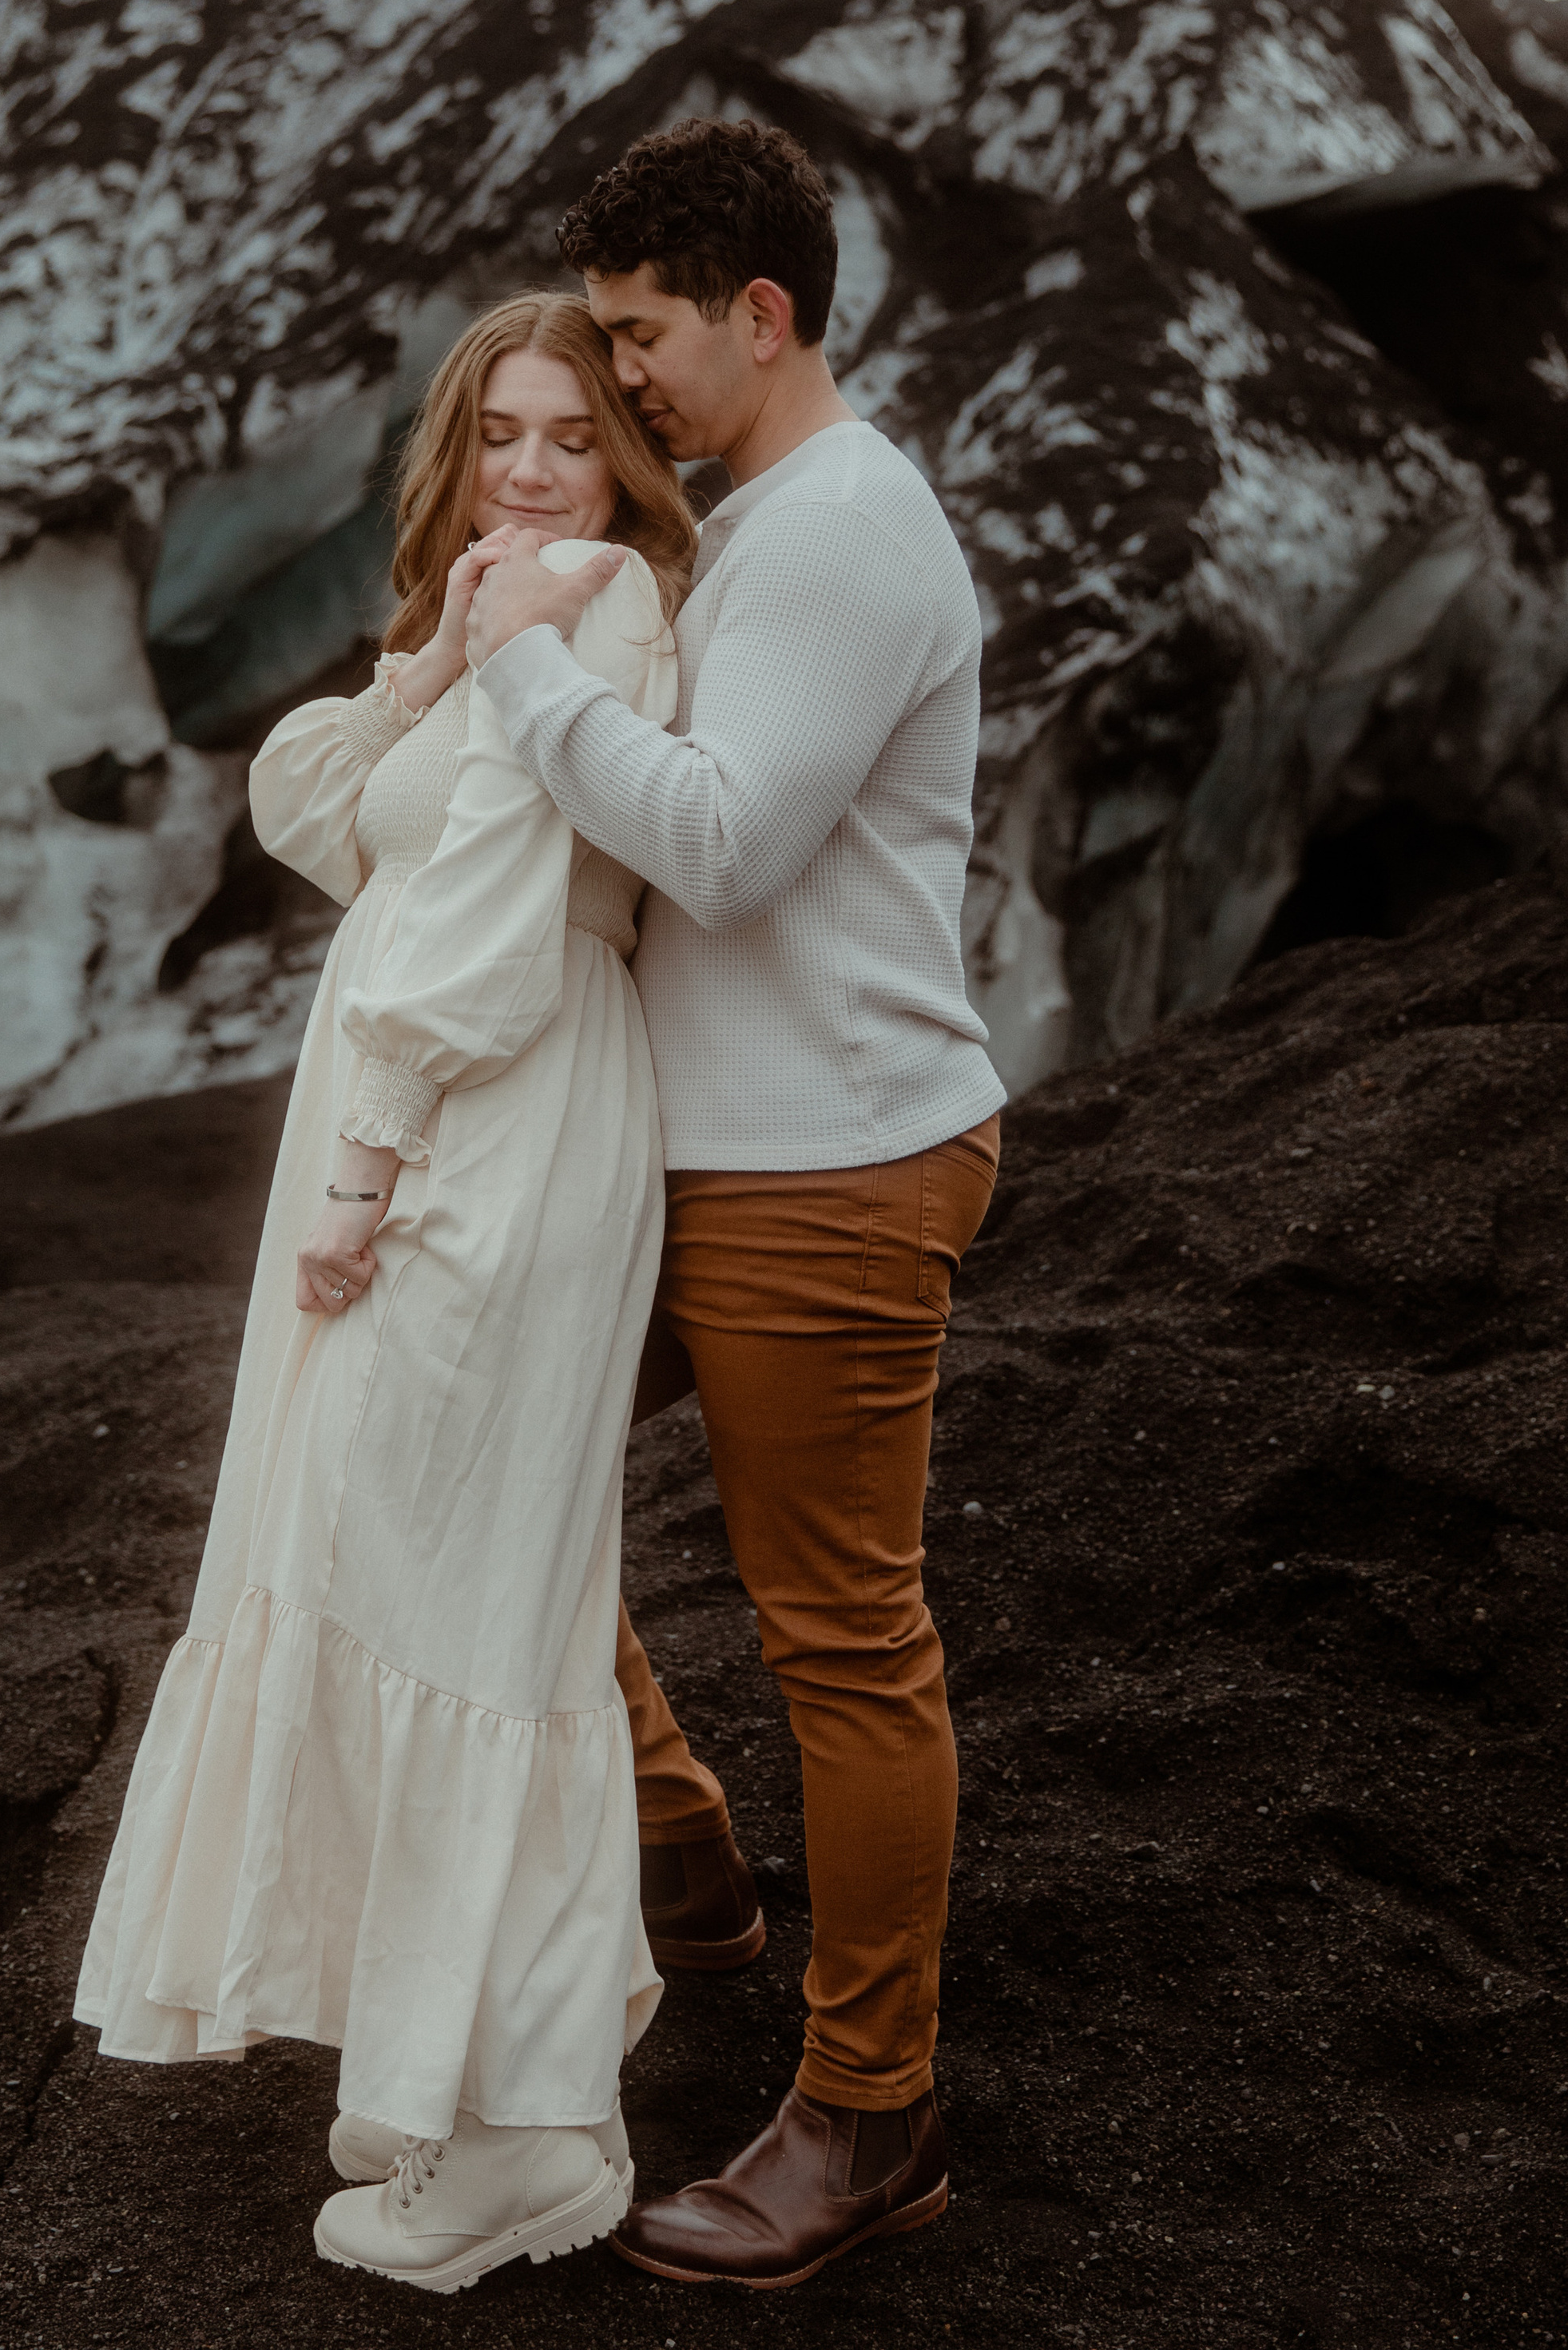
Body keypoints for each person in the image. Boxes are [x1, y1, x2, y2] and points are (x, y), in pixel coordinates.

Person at [75, 292, 697, 2294]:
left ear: (625, 456)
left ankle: (531, 2134)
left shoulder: (592, 604)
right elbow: (325, 820)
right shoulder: (496, 605)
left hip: (484, 1130)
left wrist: (366, 1165)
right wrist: (426, 658)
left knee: (462, 1593)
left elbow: (502, 915)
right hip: (430, 1110)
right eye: (500, 432)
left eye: (573, 434)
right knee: (391, 1559)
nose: (530, 469)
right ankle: (463, 2082)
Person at [466, 115, 1006, 2290]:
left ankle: (871, 2121)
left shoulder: (847, 530)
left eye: (639, 336)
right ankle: (686, 1853)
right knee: (483, 1465)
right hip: (698, 1158)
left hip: (831, 1163)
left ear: (760, 317)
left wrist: (517, 666)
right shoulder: (757, 517)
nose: (620, 380)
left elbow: (725, 844)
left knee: (845, 1643)